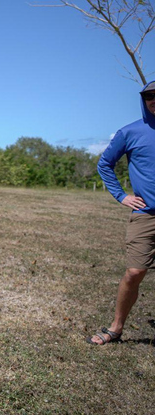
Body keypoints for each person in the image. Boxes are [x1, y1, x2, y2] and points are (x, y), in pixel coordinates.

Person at [87, 80, 155, 345]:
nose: (154, 99)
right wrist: (122, 195)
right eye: (149, 95)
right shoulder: (130, 132)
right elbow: (105, 164)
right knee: (135, 272)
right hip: (146, 214)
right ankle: (116, 328)